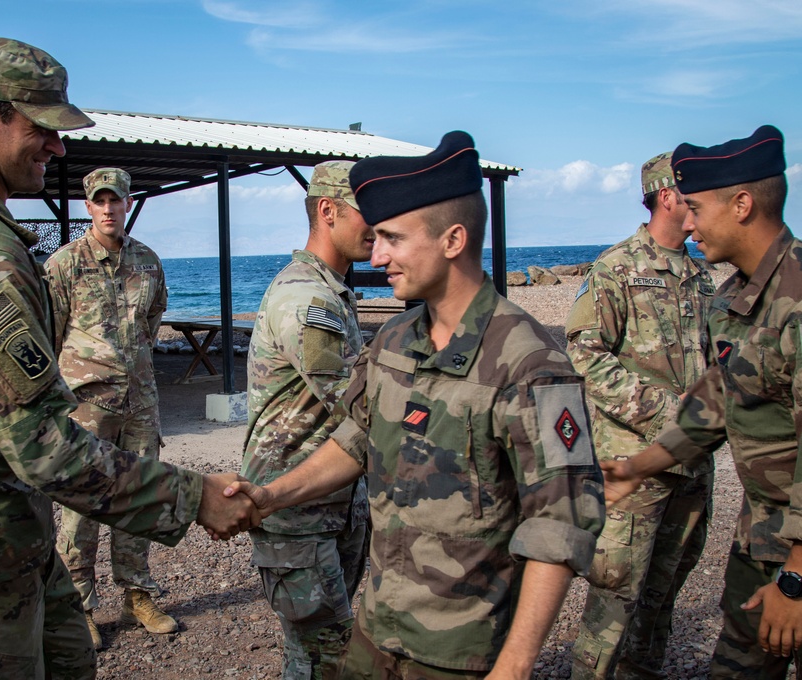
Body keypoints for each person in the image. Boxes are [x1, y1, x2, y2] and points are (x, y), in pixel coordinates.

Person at [0, 37, 256, 678]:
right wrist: (194, 496)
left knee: (70, 657)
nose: (57, 146)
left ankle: (127, 590)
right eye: (42, 127)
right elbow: (44, 446)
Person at [225, 131, 606, 678]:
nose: (377, 256)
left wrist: (517, 664)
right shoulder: (394, 342)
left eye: (394, 239)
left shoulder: (531, 365)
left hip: (460, 653)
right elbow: (355, 439)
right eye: (376, 237)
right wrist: (270, 494)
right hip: (376, 634)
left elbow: (561, 522)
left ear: (452, 240)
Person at [600, 124, 802, 678]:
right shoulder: (734, 297)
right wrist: (638, 466)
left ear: (741, 205)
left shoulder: (797, 301)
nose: (685, 223)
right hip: (761, 537)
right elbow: (715, 400)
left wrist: (795, 577)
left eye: (694, 208)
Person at [565, 152, 715, 678]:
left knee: (665, 590)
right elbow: (584, 353)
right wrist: (668, 416)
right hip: (632, 465)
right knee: (614, 596)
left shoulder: (700, 274)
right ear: (667, 195)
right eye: (691, 189)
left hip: (692, 466)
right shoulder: (617, 268)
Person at [241, 160, 372, 679]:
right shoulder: (308, 298)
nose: (379, 226)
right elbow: (358, 402)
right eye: (368, 212)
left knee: (315, 655)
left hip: (332, 502)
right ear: (328, 211)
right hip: (297, 511)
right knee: (330, 656)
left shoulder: (330, 289)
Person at [46, 167, 177, 648]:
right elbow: (49, 330)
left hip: (140, 402)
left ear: (126, 204)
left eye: (115, 201)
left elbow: (153, 317)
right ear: (88, 207)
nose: (107, 209)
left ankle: (138, 593)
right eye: (99, 202)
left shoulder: (147, 261)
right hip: (86, 406)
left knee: (138, 497)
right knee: (81, 505)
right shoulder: (64, 264)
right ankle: (77, 604)